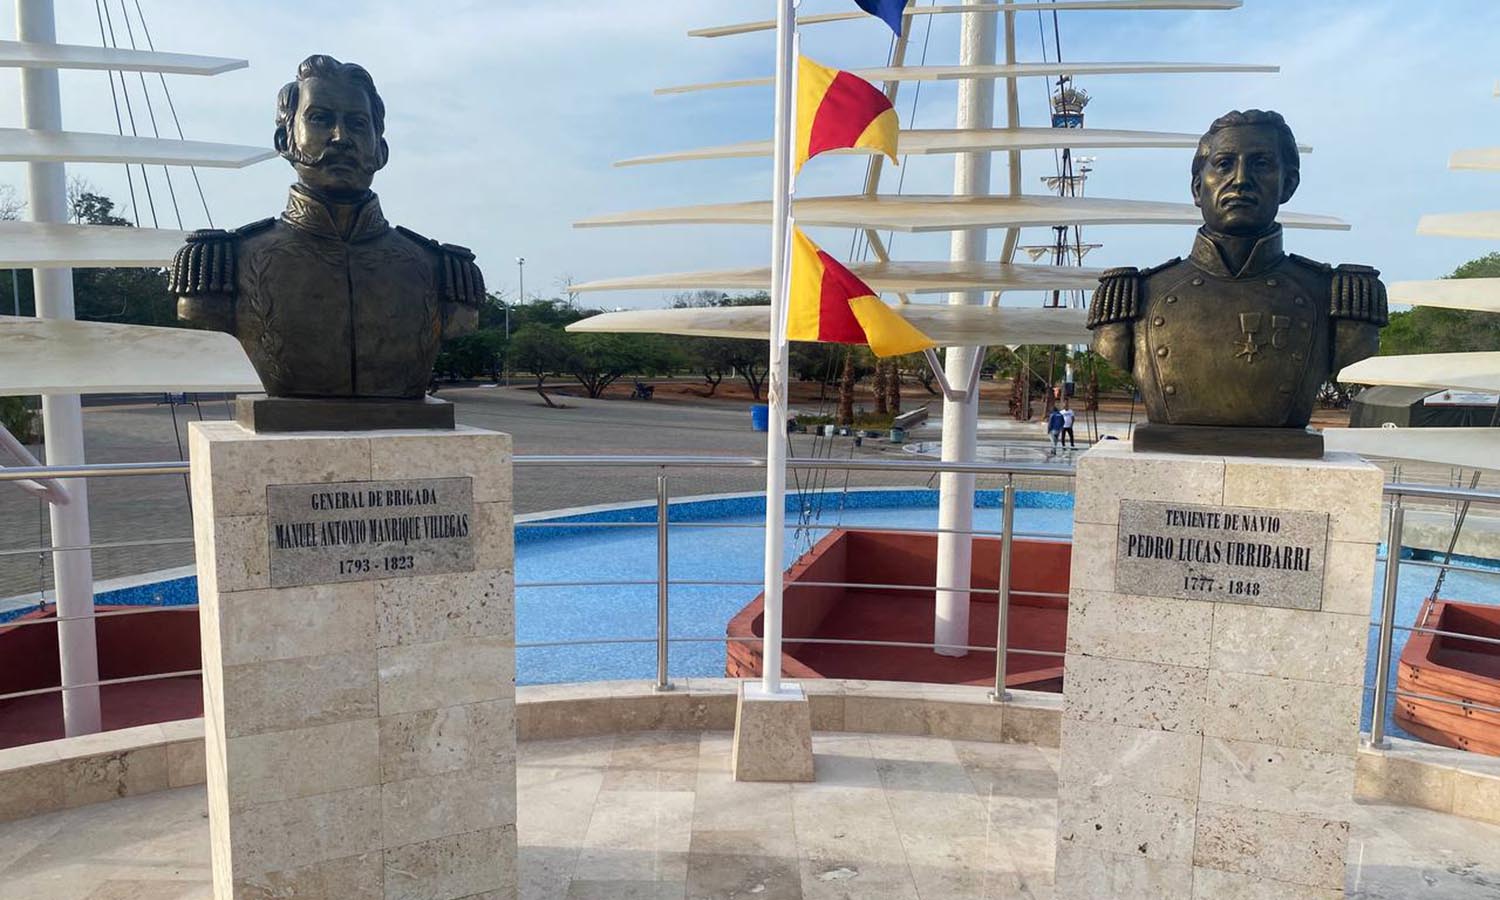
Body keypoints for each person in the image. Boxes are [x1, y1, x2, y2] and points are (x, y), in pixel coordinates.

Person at [171, 55, 484, 402]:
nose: (340, 138)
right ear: (284, 141)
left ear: (381, 151)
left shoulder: (442, 269)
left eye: (358, 124)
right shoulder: (225, 261)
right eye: (320, 119)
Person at [1086, 109, 1386, 445]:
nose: (1241, 179)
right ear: (1198, 188)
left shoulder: (1335, 296)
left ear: (1288, 184)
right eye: (1224, 164)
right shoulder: (1138, 295)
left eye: (1261, 164)